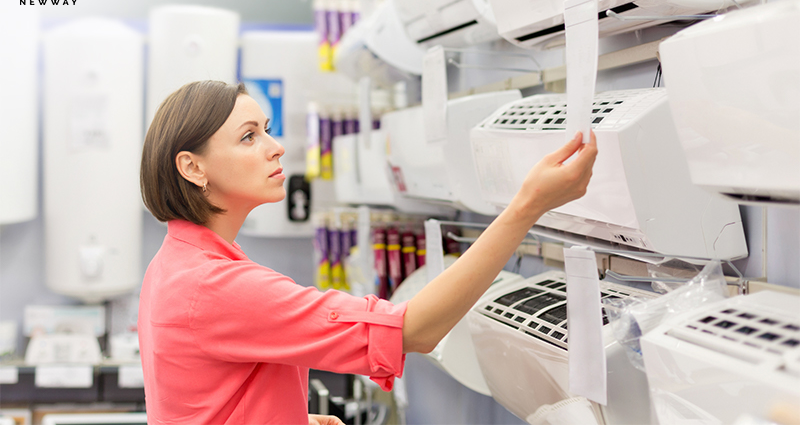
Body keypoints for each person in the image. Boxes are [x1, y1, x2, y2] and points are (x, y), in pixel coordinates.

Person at [138, 80, 598, 425]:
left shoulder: (177, 264)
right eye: (248, 137)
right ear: (192, 166)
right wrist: (526, 207)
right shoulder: (217, 286)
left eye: (268, 131)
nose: (276, 148)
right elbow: (413, 330)